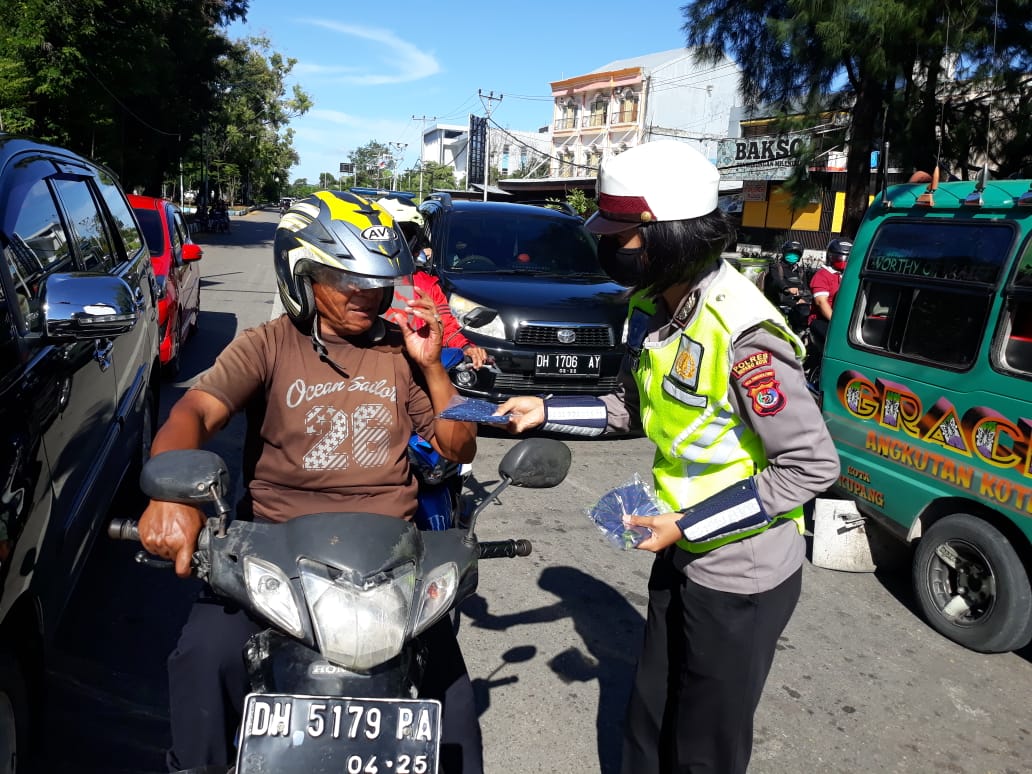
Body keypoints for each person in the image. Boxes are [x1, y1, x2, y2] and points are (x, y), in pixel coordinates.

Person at [496, 140, 839, 774]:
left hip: (740, 572)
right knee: (650, 718)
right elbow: (633, 406)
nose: (609, 247)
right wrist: (547, 409)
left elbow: (810, 465)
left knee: (703, 745)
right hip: (677, 549)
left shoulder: (745, 335)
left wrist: (687, 527)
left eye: (621, 236)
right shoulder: (656, 305)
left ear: (671, 237)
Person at [136, 190, 482, 772]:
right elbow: (192, 414)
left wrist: (430, 363)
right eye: (346, 281)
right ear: (302, 272)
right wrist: (171, 493)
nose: (366, 296)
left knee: (454, 701)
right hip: (274, 557)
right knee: (202, 658)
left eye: (375, 282)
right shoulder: (267, 346)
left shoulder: (401, 352)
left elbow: (459, 445)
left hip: (390, 562)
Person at [808, 237, 852, 349]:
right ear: (830, 257)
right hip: (823, 319)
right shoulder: (822, 275)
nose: (843, 261)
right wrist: (836, 322)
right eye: (839, 257)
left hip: (844, 320)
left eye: (847, 257)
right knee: (837, 344)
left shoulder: (849, 275)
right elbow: (820, 302)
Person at [762, 239, 811, 333]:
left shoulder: (800, 271)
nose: (793, 255)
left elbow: (806, 288)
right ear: (784, 252)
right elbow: (776, 281)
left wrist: (805, 299)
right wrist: (787, 289)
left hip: (798, 304)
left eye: (796, 253)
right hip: (780, 302)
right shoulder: (776, 267)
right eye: (790, 252)